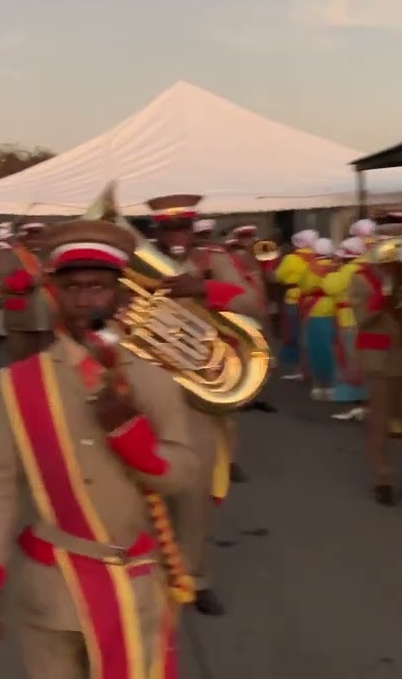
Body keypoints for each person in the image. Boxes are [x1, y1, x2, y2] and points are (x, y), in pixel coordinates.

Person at [0, 218, 197, 679]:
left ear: (119, 294)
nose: (85, 298)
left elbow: (183, 475)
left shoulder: (154, 378)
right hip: (51, 590)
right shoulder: (20, 381)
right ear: (54, 292)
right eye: (72, 287)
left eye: (98, 286)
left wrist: (131, 436)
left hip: (132, 591)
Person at [144, 193, 261, 616]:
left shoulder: (214, 261)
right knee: (147, 490)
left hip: (197, 390)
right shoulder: (136, 264)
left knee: (194, 493)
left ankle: (195, 577)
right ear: (156, 231)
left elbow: (252, 303)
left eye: (183, 227)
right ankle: (151, 575)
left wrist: (205, 288)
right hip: (148, 385)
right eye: (168, 228)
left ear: (193, 228)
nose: (176, 235)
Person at [348, 219, 402, 506]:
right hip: (381, 359)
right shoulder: (362, 278)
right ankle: (382, 478)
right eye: (388, 243)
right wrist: (384, 292)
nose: (394, 250)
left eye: (401, 244)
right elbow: (362, 319)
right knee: (380, 422)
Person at [0, 220, 54, 362]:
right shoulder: (10, 255)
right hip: (22, 320)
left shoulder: (50, 255)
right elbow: (4, 282)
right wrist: (34, 279)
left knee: (47, 362)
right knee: (22, 361)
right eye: (31, 235)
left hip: (49, 318)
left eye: (39, 235)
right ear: (22, 237)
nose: (35, 239)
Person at [326, 237, 368, 411]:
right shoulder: (366, 267)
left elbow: (330, 287)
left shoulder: (348, 269)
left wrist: (333, 271)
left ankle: (357, 400)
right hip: (362, 317)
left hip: (349, 319)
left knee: (351, 359)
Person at [274, 230, 319, 380]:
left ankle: (301, 369)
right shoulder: (317, 257)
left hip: (293, 299)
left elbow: (278, 276)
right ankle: (314, 368)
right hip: (313, 300)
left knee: (296, 334)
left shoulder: (291, 258)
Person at [300, 238, 338, 400]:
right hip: (335, 310)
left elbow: (304, 286)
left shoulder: (310, 268)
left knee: (315, 350)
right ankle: (332, 385)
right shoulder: (337, 267)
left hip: (314, 311)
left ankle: (318, 386)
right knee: (333, 350)